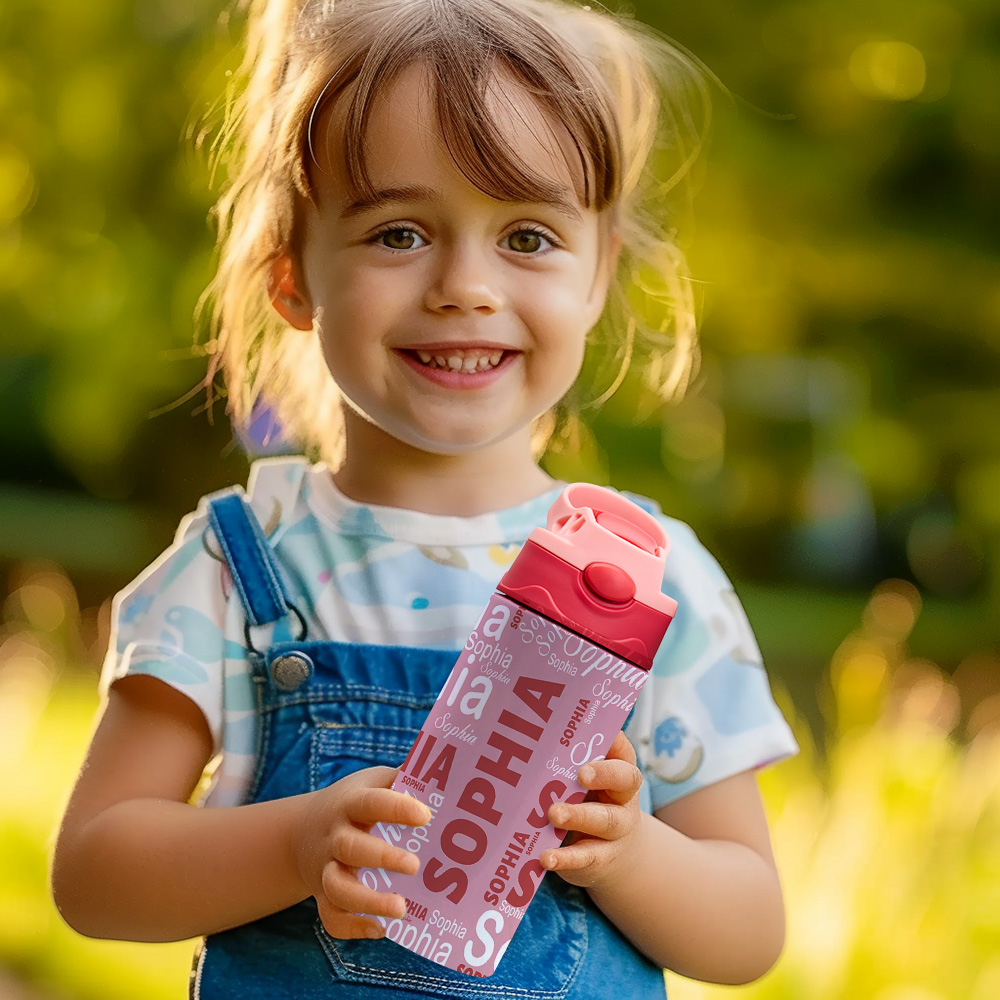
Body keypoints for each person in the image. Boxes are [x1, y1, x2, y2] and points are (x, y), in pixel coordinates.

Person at [51, 0, 798, 996]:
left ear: (597, 274)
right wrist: (290, 847)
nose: (465, 286)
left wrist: (629, 854)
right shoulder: (239, 565)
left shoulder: (647, 580)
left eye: (527, 237)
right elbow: (94, 874)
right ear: (291, 275)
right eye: (399, 231)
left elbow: (748, 930)